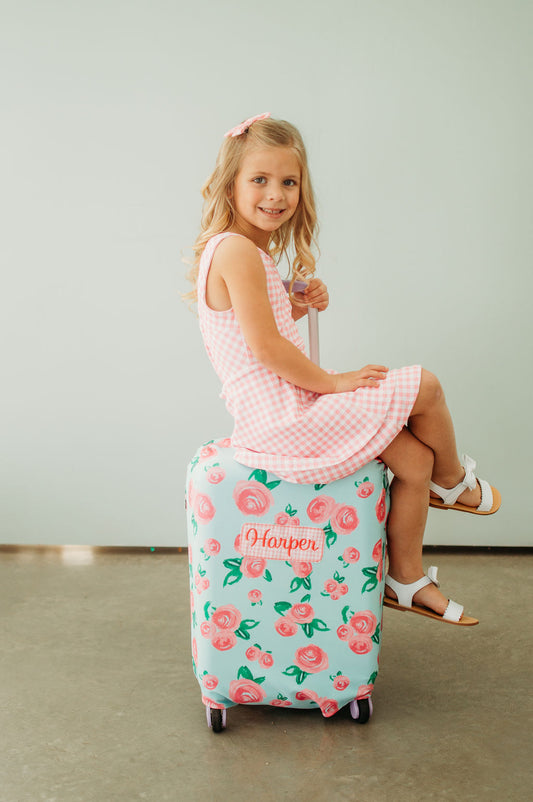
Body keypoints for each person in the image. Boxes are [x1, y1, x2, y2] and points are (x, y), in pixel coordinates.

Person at [186, 112, 500, 626]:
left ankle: (405, 580)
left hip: (285, 410)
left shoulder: (247, 252)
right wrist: (333, 383)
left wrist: (295, 302)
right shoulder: (237, 250)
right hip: (282, 418)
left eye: (289, 182)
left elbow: (256, 329)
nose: (276, 194)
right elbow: (266, 349)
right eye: (259, 179)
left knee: (412, 460)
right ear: (230, 185)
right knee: (425, 385)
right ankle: (453, 482)